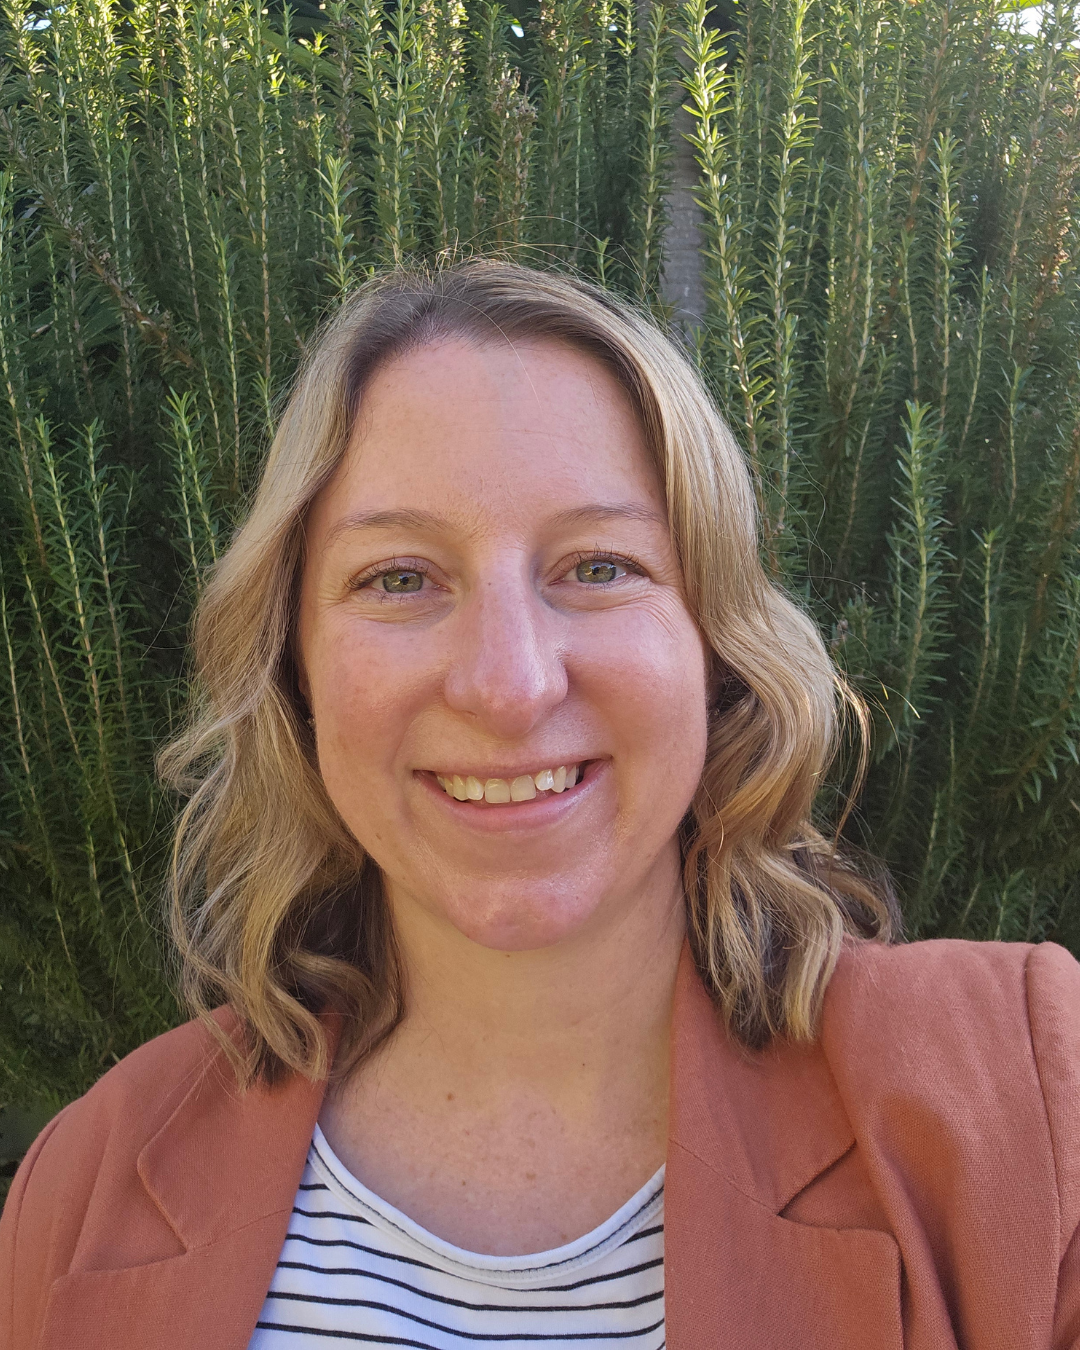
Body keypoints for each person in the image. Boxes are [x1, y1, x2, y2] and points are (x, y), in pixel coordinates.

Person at [2, 260, 1079, 1350]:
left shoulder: (1030, 1104)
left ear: (715, 645)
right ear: (296, 668)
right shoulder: (91, 1185)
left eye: (599, 566)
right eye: (399, 578)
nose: (509, 686)